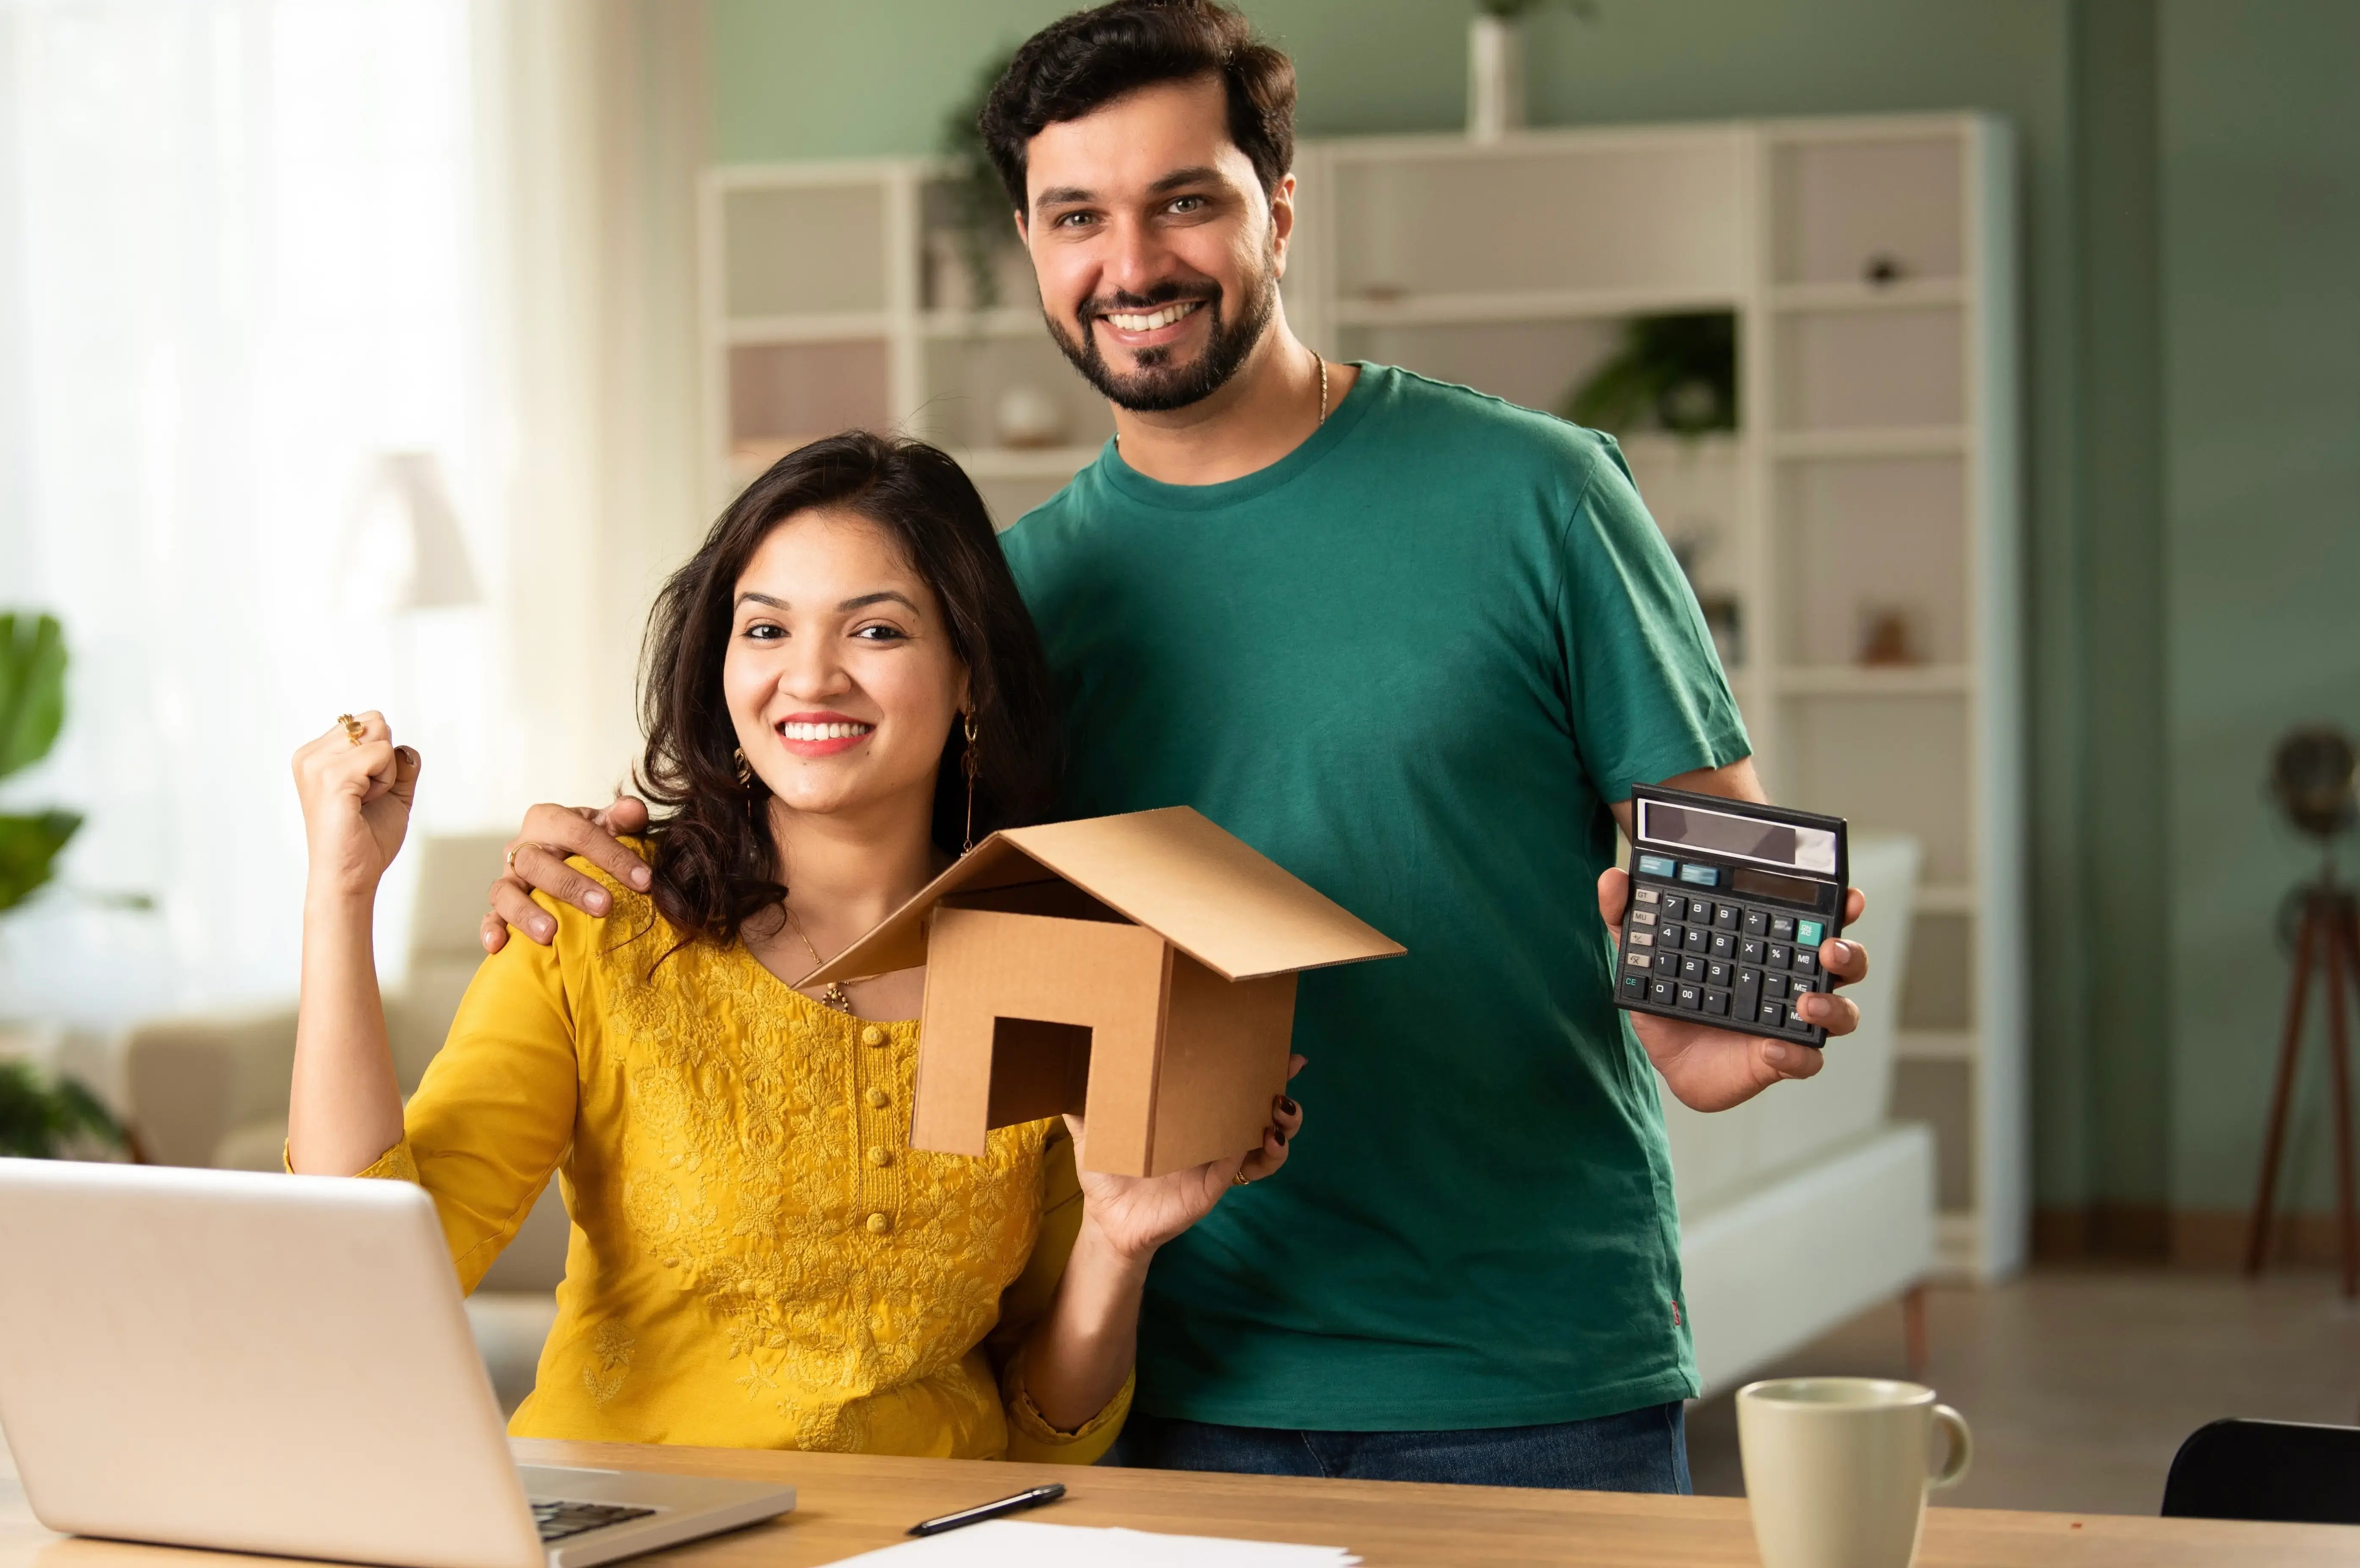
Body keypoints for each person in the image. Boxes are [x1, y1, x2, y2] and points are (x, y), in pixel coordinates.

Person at [481, 0, 1872, 1493]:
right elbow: (845, 861)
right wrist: (597, 859)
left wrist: (1725, 1015)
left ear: (1281, 209)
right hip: (1166, 1383)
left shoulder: (1540, 495)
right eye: (1078, 216)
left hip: (1528, 1366)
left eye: (1185, 203)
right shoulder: (1010, 603)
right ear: (1031, 243)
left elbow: (1716, 842)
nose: (1132, 264)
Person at [286, 430, 1299, 1462]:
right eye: (765, 629)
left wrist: (1117, 1245)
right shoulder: (596, 918)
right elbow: (365, 1285)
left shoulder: (1048, 959)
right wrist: (341, 892)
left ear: (968, 675)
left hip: (937, 1531)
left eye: (876, 630)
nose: (809, 677)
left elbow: (1048, 1435)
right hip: (636, 1525)